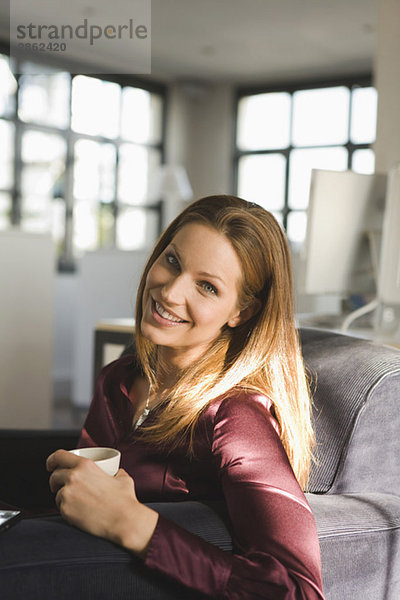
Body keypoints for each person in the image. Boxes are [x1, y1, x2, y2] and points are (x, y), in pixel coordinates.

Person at [47, 195, 325, 599]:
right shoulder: (118, 379)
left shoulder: (234, 416)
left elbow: (299, 591)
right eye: (173, 261)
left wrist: (133, 523)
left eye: (207, 287)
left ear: (242, 313)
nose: (171, 292)